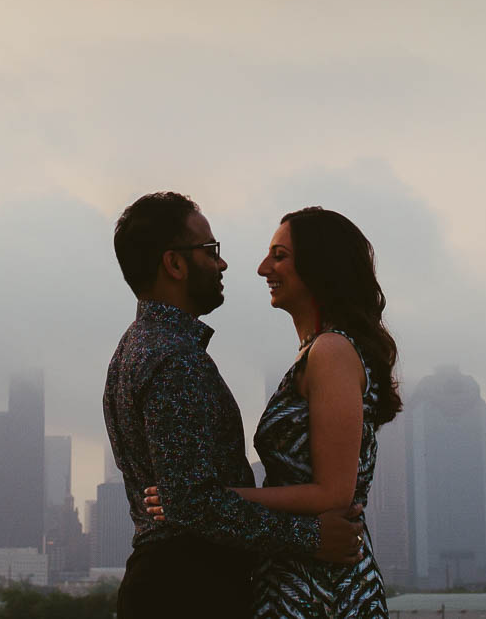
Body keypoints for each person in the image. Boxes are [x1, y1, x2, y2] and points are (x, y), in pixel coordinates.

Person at [103, 192, 365, 619]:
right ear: (174, 264)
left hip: (178, 582)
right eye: (211, 252)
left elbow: (188, 499)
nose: (222, 264)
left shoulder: (139, 349)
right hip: (188, 587)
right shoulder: (174, 360)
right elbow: (192, 505)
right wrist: (312, 537)